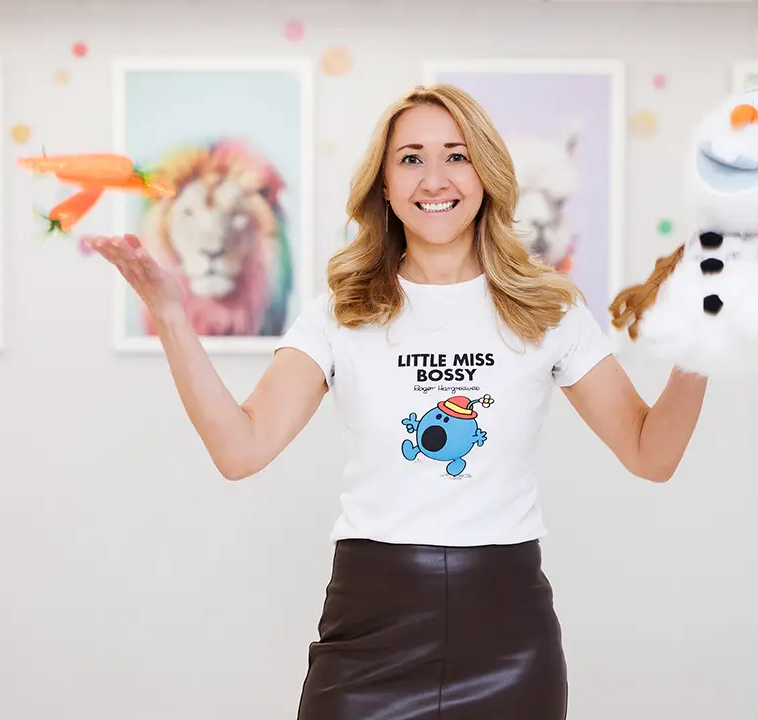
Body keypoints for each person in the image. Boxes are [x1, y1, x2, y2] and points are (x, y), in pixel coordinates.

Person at [89, 83, 708, 720]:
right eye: (411, 158)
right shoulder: (340, 311)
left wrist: (708, 345)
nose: (434, 178)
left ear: (486, 173)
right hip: (370, 628)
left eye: (456, 156)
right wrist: (169, 315)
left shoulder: (549, 309)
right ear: (383, 184)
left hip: (508, 631)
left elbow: (649, 453)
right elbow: (238, 449)